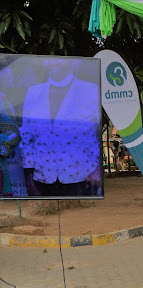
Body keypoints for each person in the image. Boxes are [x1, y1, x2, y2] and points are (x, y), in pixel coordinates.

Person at [20, 58, 100, 196]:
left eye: (60, 60)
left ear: (72, 62)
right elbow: (27, 137)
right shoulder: (34, 92)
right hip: (43, 179)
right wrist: (29, 178)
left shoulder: (90, 90)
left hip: (82, 177)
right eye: (48, 60)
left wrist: (97, 170)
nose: (53, 63)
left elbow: (98, 133)